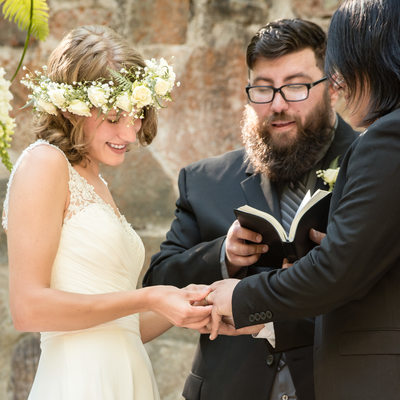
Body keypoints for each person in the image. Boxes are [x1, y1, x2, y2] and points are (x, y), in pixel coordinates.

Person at [143, 19, 356, 400]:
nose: (277, 104)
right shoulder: (204, 181)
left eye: (296, 86)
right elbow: (158, 284)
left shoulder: (374, 167)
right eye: (263, 89)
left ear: (334, 88)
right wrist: (222, 256)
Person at [2, 25, 212, 400]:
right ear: (71, 109)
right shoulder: (44, 164)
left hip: (128, 378)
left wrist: (183, 300)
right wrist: (147, 297)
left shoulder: (96, 181)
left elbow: (121, 325)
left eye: (136, 116)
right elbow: (28, 308)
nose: (130, 134)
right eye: (115, 116)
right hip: (79, 382)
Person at [206, 1, 400, 399]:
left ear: (371, 59)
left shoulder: (386, 138)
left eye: (342, 64)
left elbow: (335, 273)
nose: (339, 81)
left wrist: (240, 296)